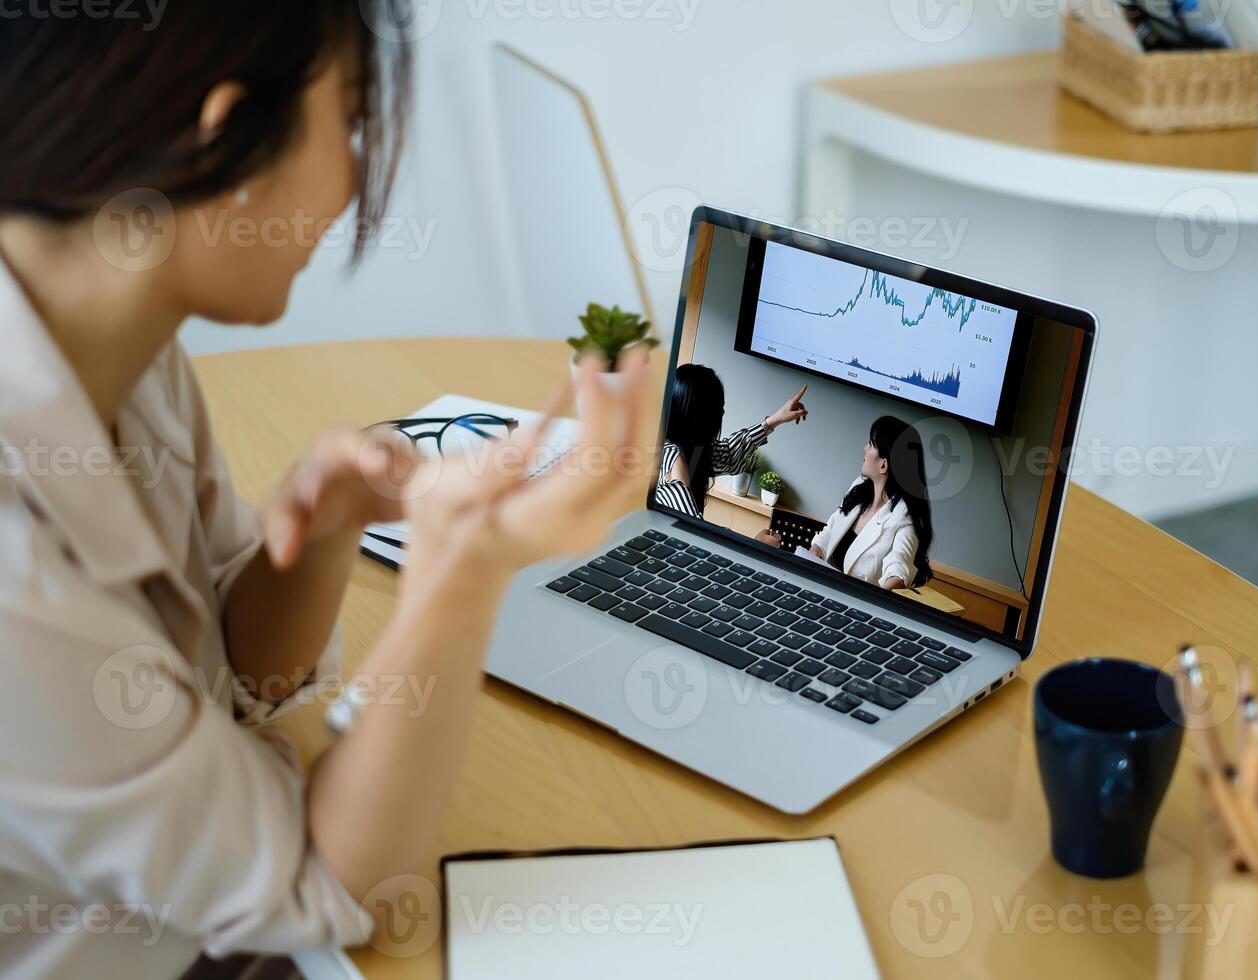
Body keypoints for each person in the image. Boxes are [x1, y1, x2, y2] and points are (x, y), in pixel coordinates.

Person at [0, 7, 654, 978]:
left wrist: (318, 541)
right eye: (348, 121)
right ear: (218, 134)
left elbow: (234, 681)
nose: (354, 183)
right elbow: (324, 888)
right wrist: (463, 568)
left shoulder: (122, 351)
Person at [655, 362, 808, 519]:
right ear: (700, 415)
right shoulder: (671, 457)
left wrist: (775, 420)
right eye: (718, 408)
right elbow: (690, 529)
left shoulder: (693, 448)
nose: (722, 412)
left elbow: (729, 453)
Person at [809, 416, 935, 590]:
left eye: (871, 444)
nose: (865, 448)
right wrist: (817, 549)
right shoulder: (859, 487)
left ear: (884, 465)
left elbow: (898, 571)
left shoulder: (905, 519)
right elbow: (830, 530)